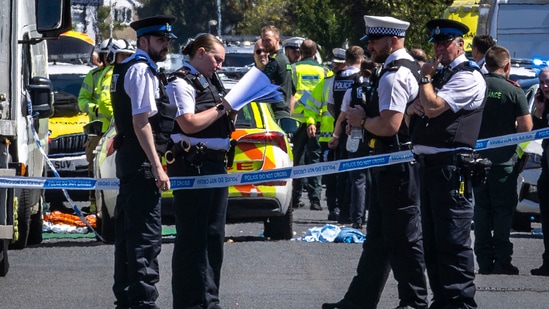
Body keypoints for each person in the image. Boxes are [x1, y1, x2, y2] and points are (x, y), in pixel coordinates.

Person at [323, 15, 428, 309]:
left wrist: (361, 120)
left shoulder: (395, 74)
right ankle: (359, 300)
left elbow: (389, 126)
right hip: (392, 164)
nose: (369, 46)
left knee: (404, 239)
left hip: (398, 166)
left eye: (373, 40)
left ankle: (414, 301)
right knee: (379, 238)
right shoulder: (402, 67)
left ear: (392, 40)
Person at [406, 19, 486, 308]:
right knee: (433, 242)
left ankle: (459, 302)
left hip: (451, 167)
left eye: (446, 43)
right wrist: (415, 104)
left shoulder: (467, 76)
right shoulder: (442, 76)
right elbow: (415, 110)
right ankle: (443, 300)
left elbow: (433, 107)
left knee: (452, 241)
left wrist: (425, 81)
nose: (439, 49)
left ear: (460, 44)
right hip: (428, 165)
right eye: (436, 44)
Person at [109, 15, 174, 308]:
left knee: (129, 235)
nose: (165, 46)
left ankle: (128, 298)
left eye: (167, 40)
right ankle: (142, 301)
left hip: (132, 161)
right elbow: (141, 123)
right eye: (160, 40)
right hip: (141, 164)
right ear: (144, 41)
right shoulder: (141, 71)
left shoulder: (130, 68)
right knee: (145, 238)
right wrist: (158, 165)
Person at [165, 33, 233, 309]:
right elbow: (189, 123)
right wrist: (222, 107)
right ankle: (191, 302)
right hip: (194, 164)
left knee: (214, 237)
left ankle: (209, 300)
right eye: (217, 59)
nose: (219, 66)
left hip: (216, 163)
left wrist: (232, 107)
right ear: (201, 53)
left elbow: (220, 118)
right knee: (193, 238)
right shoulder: (181, 81)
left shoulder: (212, 81)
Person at [473, 45, 533, 275]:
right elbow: (526, 129)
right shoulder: (513, 91)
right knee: (501, 211)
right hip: (503, 163)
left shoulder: (476, 86)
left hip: (476, 161)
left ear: (486, 64)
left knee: (481, 210)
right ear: (507, 65)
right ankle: (502, 260)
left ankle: (484, 260)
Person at [329, 58, 377, 230]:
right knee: (377, 178)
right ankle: (375, 218)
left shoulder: (352, 90)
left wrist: (335, 136)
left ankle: (357, 218)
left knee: (357, 179)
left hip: (356, 137)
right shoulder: (379, 88)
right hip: (378, 136)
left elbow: (342, 116)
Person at [305, 48, 348, 220]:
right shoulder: (325, 83)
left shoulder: (351, 81)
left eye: (340, 64)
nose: (336, 67)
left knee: (345, 175)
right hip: (327, 137)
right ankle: (333, 208)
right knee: (330, 177)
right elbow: (311, 106)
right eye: (335, 65)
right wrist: (310, 122)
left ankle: (346, 207)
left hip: (346, 136)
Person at [290, 39, 331, 211]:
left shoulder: (293, 69)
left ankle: (294, 198)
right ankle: (315, 200)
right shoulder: (324, 71)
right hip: (317, 120)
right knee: (315, 159)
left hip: (297, 121)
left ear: (300, 52)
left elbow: (289, 94)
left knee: (296, 160)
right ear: (315, 53)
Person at [327, 46, 364, 224]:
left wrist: (338, 126)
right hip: (360, 129)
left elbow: (331, 105)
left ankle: (342, 209)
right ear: (361, 59)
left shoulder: (337, 78)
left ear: (346, 60)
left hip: (341, 129)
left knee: (342, 171)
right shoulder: (361, 79)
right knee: (359, 174)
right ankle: (355, 211)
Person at [78, 38, 110, 212]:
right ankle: (93, 204)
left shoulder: (123, 73)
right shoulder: (94, 75)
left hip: (117, 129)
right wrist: (95, 109)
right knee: (93, 167)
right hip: (98, 130)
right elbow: (82, 100)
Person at [531, 67, 549, 276]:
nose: (545, 86)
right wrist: (538, 111)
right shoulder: (542, 103)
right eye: (542, 82)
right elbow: (534, 131)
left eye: (548, 82)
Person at [261, 25, 294, 121]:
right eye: (263, 40)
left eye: (268, 40)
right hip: (283, 114)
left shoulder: (275, 61)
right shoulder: (283, 59)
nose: (265, 43)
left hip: (275, 113)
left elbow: (259, 84)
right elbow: (293, 91)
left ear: (277, 40)